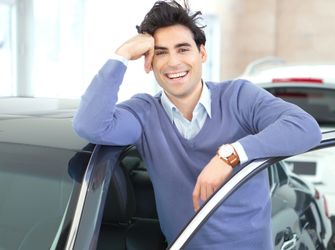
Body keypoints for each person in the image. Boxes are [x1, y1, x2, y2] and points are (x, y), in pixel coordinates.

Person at [73, 0, 322, 249]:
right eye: (161, 52)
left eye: (183, 49)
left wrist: (231, 155)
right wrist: (122, 54)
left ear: (201, 53)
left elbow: (306, 128)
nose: (173, 62)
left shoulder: (238, 97)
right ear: (149, 63)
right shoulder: (144, 114)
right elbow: (90, 125)